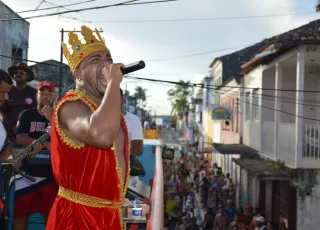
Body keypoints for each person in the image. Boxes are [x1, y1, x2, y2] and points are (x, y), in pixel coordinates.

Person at [46, 25, 130, 230]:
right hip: (78, 218)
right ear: (78, 74)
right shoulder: (70, 107)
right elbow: (100, 136)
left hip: (109, 216)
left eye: (108, 58)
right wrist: (113, 83)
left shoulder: (104, 108)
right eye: (96, 60)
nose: (106, 64)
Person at [13, 80, 57, 230]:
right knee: (20, 214)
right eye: (42, 93)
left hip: (51, 175)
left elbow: (65, 140)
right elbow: (19, 137)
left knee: (51, 215)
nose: (45, 96)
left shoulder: (60, 116)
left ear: (54, 95)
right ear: (36, 95)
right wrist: (37, 144)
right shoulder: (26, 114)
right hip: (26, 174)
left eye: (49, 93)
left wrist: (44, 145)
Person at [0, 62, 37, 136]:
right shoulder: (6, 91)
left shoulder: (34, 92)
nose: (18, 74)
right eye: (15, 72)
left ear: (28, 76)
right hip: (8, 130)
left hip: (28, 131)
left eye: (22, 73)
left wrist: (24, 127)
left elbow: (36, 113)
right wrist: (12, 126)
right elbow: (2, 111)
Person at [120, 88, 143, 155]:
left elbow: (138, 150)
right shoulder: (99, 120)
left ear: (123, 100)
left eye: (115, 96)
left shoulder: (134, 120)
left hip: (124, 164)